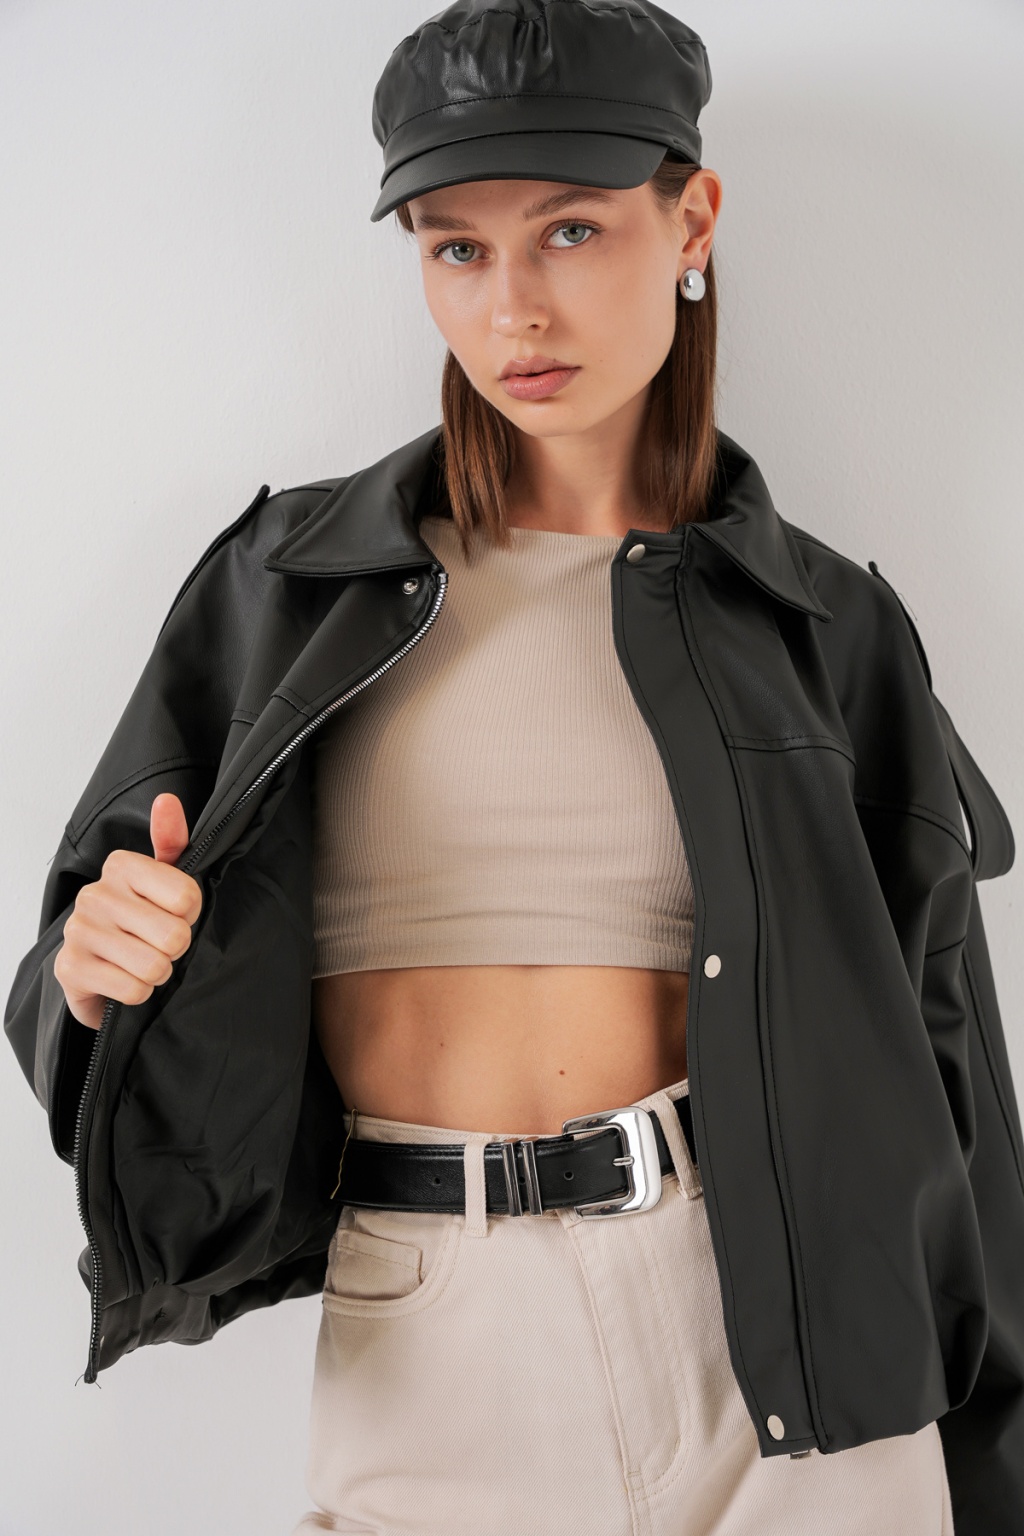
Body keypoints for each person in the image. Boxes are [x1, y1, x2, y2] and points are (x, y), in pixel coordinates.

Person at [5, 2, 1023, 1532]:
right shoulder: (283, 592)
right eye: (457, 247)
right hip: (431, 1341)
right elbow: (71, 989)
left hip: (795, 1344)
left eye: (570, 231)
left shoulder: (827, 626)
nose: (513, 310)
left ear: (693, 220)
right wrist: (91, 970)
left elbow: (956, 1081)